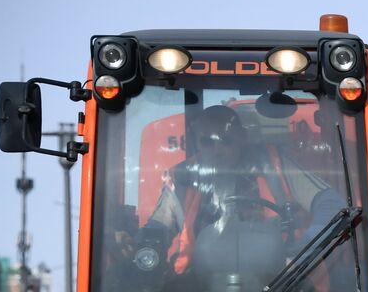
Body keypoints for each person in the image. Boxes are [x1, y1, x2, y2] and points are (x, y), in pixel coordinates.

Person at [145, 104, 338, 276]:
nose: (217, 149)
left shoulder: (275, 164)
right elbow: (157, 227)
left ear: (242, 138)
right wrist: (144, 246)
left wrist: (306, 245)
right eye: (207, 142)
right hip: (199, 283)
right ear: (196, 142)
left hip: (280, 281)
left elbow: (331, 204)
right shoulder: (181, 177)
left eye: (226, 141)